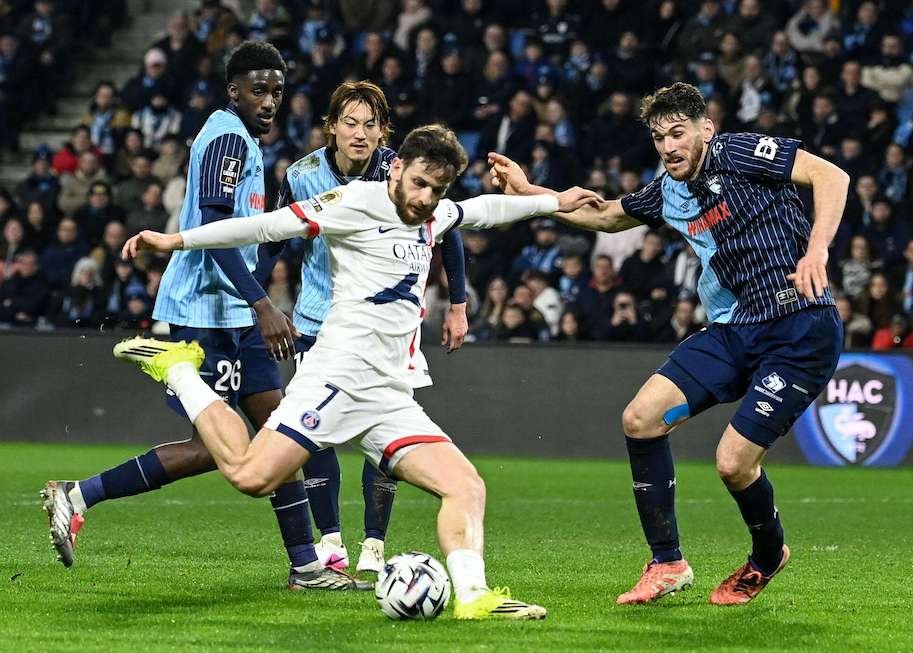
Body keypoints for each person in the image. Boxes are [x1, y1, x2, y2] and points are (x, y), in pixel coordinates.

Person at [109, 124, 598, 618]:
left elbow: (484, 211)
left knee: (466, 486)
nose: (425, 198)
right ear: (397, 168)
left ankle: (473, 597)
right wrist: (176, 240)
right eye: (419, 183)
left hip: (388, 394)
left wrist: (553, 202)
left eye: (437, 189)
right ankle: (180, 371)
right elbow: (265, 227)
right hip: (335, 379)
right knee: (250, 476)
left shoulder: (434, 212)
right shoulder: (355, 202)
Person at [489, 82, 849, 606]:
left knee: (733, 464)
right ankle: (667, 563)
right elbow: (604, 216)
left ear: (707, 129)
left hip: (801, 327)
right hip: (734, 328)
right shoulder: (668, 191)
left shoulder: (738, 152)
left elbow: (831, 175)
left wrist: (816, 251)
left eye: (678, 133)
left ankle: (768, 555)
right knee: (640, 419)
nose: (668, 146)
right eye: (659, 138)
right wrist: (529, 195)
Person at [42, 42, 350, 591]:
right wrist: (263, 303)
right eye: (258, 90)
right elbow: (212, 230)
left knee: (280, 432)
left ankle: (306, 566)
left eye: (277, 92)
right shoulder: (227, 138)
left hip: (235, 312)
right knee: (214, 448)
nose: (269, 101)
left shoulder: (243, 141)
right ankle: (79, 494)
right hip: (206, 311)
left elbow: (243, 234)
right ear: (234, 90)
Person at [269, 80, 470, 575]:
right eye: (350, 123)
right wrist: (257, 302)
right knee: (314, 431)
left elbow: (448, 233)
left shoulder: (401, 173)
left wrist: (458, 304)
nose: (360, 133)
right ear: (332, 127)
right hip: (318, 320)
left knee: (382, 430)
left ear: (384, 131)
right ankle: (331, 542)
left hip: (387, 329)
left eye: (371, 124)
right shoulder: (302, 175)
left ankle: (374, 546)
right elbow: (273, 241)